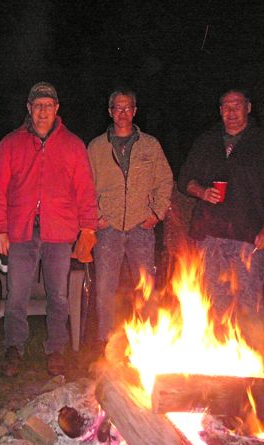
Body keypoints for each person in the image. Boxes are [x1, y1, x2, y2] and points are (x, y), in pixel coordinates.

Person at [0, 82, 98, 377]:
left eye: (48, 106)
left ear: (57, 109)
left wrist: (88, 228)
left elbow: (85, 190)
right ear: (29, 108)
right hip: (21, 232)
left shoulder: (73, 145)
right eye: (37, 106)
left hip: (59, 233)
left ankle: (56, 349)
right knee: (17, 295)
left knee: (58, 296)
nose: (42, 112)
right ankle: (15, 347)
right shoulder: (10, 143)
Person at [177, 88, 264, 347]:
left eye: (237, 106)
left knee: (249, 306)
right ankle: (218, 367)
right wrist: (202, 191)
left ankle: (252, 368)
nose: (231, 112)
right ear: (220, 111)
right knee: (214, 305)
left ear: (248, 108)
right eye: (226, 107)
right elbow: (185, 180)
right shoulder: (206, 141)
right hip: (209, 237)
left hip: (249, 238)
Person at [87, 88, 173, 345]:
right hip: (108, 228)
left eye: (128, 108)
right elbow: (85, 184)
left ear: (135, 111)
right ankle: (106, 344)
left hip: (141, 227)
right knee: (104, 289)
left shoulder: (150, 145)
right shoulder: (96, 147)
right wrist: (97, 215)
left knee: (146, 288)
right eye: (117, 108)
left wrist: (157, 212)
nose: (123, 113)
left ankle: (149, 343)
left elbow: (165, 180)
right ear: (110, 111)